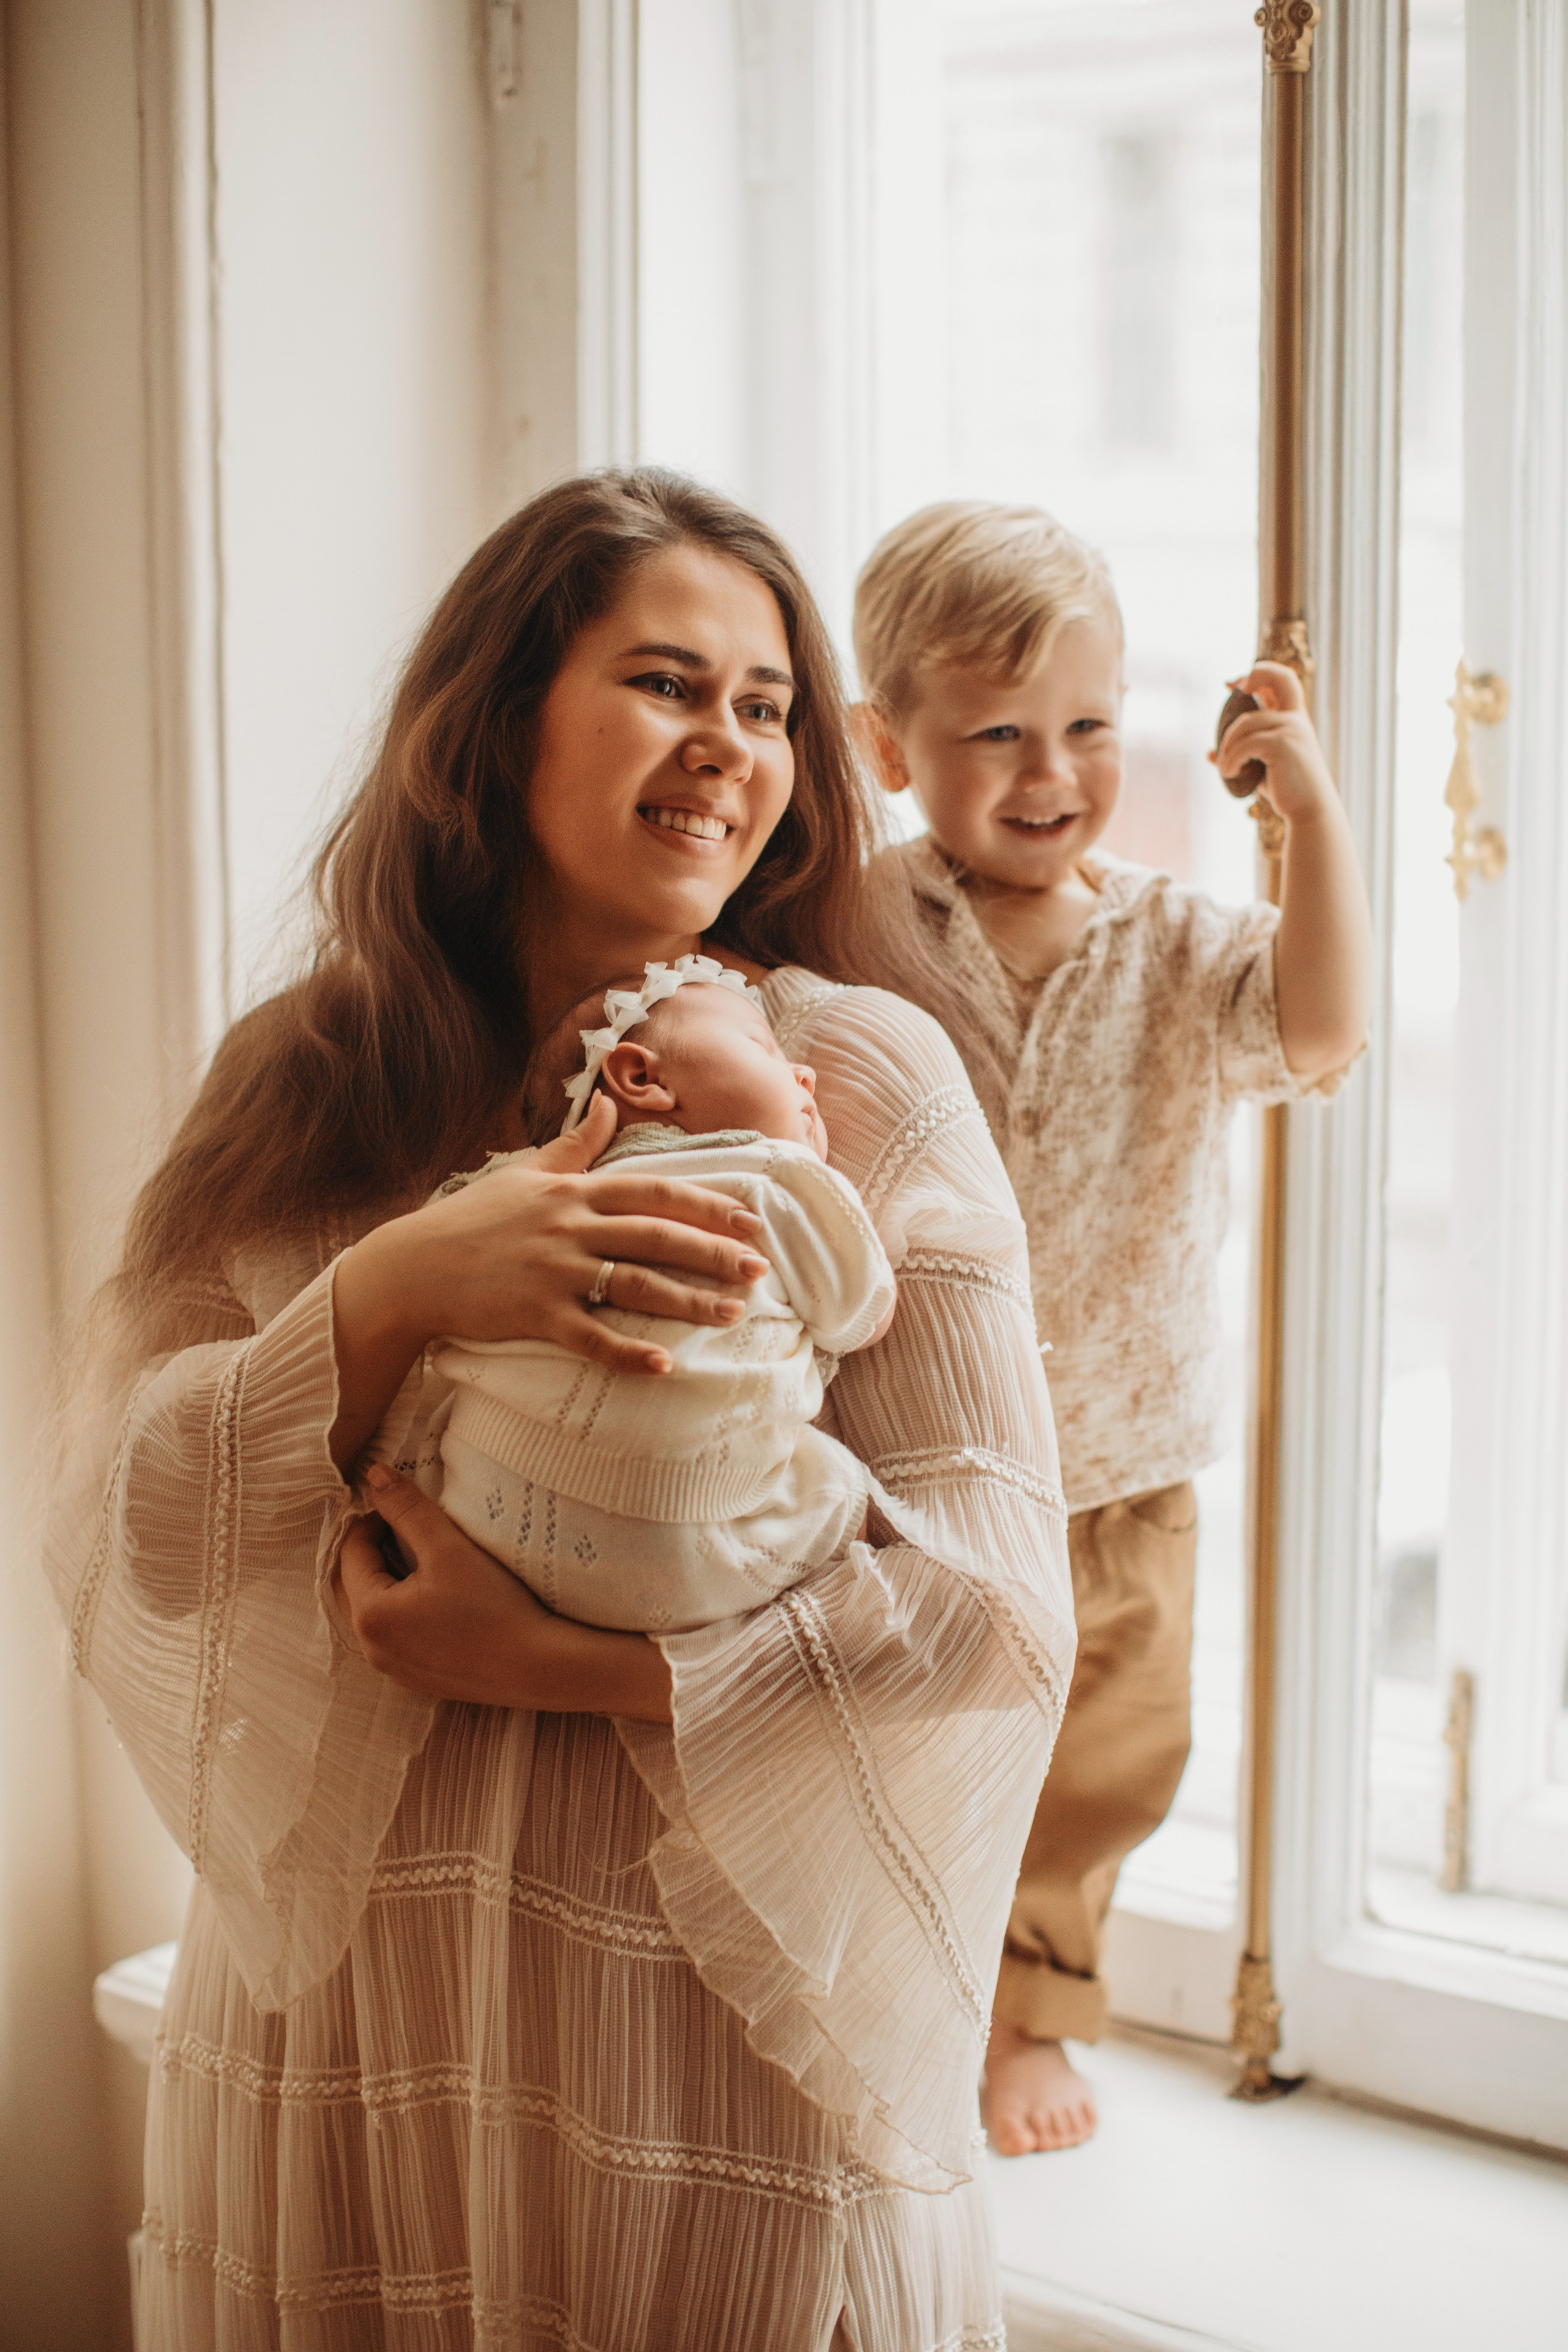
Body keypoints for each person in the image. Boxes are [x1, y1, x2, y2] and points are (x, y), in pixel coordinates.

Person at [47, 470, 1075, 2349]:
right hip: (344, 2042)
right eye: (669, 682)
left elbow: (994, 1612)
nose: (728, 745)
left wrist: (550, 1653)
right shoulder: (309, 1077)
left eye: (765, 705)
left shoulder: (852, 1073)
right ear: (497, 720)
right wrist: (392, 1296)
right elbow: (134, 1532)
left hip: (704, 2053)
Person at [852, 500, 1370, 2158]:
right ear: (887, 744)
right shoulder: (859, 927)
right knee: (910, 1746)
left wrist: (1314, 812)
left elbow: (1326, 1029)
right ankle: (895, 2000)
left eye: (1083, 726)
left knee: (1107, 1761)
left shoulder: (1173, 941)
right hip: (911, 1452)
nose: (1047, 769)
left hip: (1129, 1461)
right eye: (993, 733)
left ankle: (1031, 2017)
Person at [420, 952, 897, 1632]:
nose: (805, 1073)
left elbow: (435, 1251)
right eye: (761, 1046)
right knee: (834, 1480)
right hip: (694, 1541)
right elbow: (862, 1315)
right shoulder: (771, 1178)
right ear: (641, 1077)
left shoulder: (516, 1191)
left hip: (483, 1514)